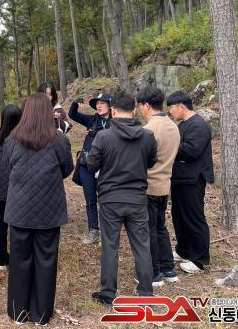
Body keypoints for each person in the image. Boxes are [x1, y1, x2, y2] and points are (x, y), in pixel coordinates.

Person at [3, 93, 74, 325]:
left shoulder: (12, 140)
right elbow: (66, 168)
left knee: (19, 258)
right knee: (46, 259)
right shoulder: (59, 140)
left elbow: (8, 168)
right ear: (47, 113)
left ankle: (18, 311)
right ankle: (41, 314)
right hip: (49, 208)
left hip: (20, 208)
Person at [86, 91, 158, 306]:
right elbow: (151, 161)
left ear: (113, 111)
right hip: (137, 198)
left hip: (110, 199)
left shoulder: (103, 136)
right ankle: (146, 294)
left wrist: (88, 158)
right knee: (142, 246)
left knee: (110, 246)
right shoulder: (147, 136)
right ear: (134, 111)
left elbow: (92, 165)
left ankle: (108, 294)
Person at [137, 86, 181, 287]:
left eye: (140, 105)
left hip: (149, 186)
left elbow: (140, 160)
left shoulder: (148, 130)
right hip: (165, 185)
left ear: (146, 105)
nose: (140, 110)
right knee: (160, 227)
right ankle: (168, 268)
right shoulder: (173, 126)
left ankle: (153, 273)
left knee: (148, 230)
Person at [166, 91, 214, 274]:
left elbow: (191, 150)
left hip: (193, 179)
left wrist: (169, 146)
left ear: (181, 106)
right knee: (179, 215)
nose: (170, 111)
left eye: (172, 107)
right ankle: (183, 250)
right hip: (180, 178)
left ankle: (199, 259)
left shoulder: (198, 125)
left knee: (194, 217)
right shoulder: (184, 124)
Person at [68, 92, 112, 245]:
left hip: (106, 167)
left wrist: (97, 133)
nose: (99, 106)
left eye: (102, 103)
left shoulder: (116, 122)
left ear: (110, 106)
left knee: (106, 200)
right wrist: (75, 103)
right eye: (97, 103)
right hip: (86, 166)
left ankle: (107, 232)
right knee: (90, 200)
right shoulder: (92, 120)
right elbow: (72, 115)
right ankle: (93, 230)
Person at [0, 104, 22, 270]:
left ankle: (2, 259)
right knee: (17, 223)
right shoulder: (20, 139)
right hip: (16, 187)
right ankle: (17, 257)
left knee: (1, 222)